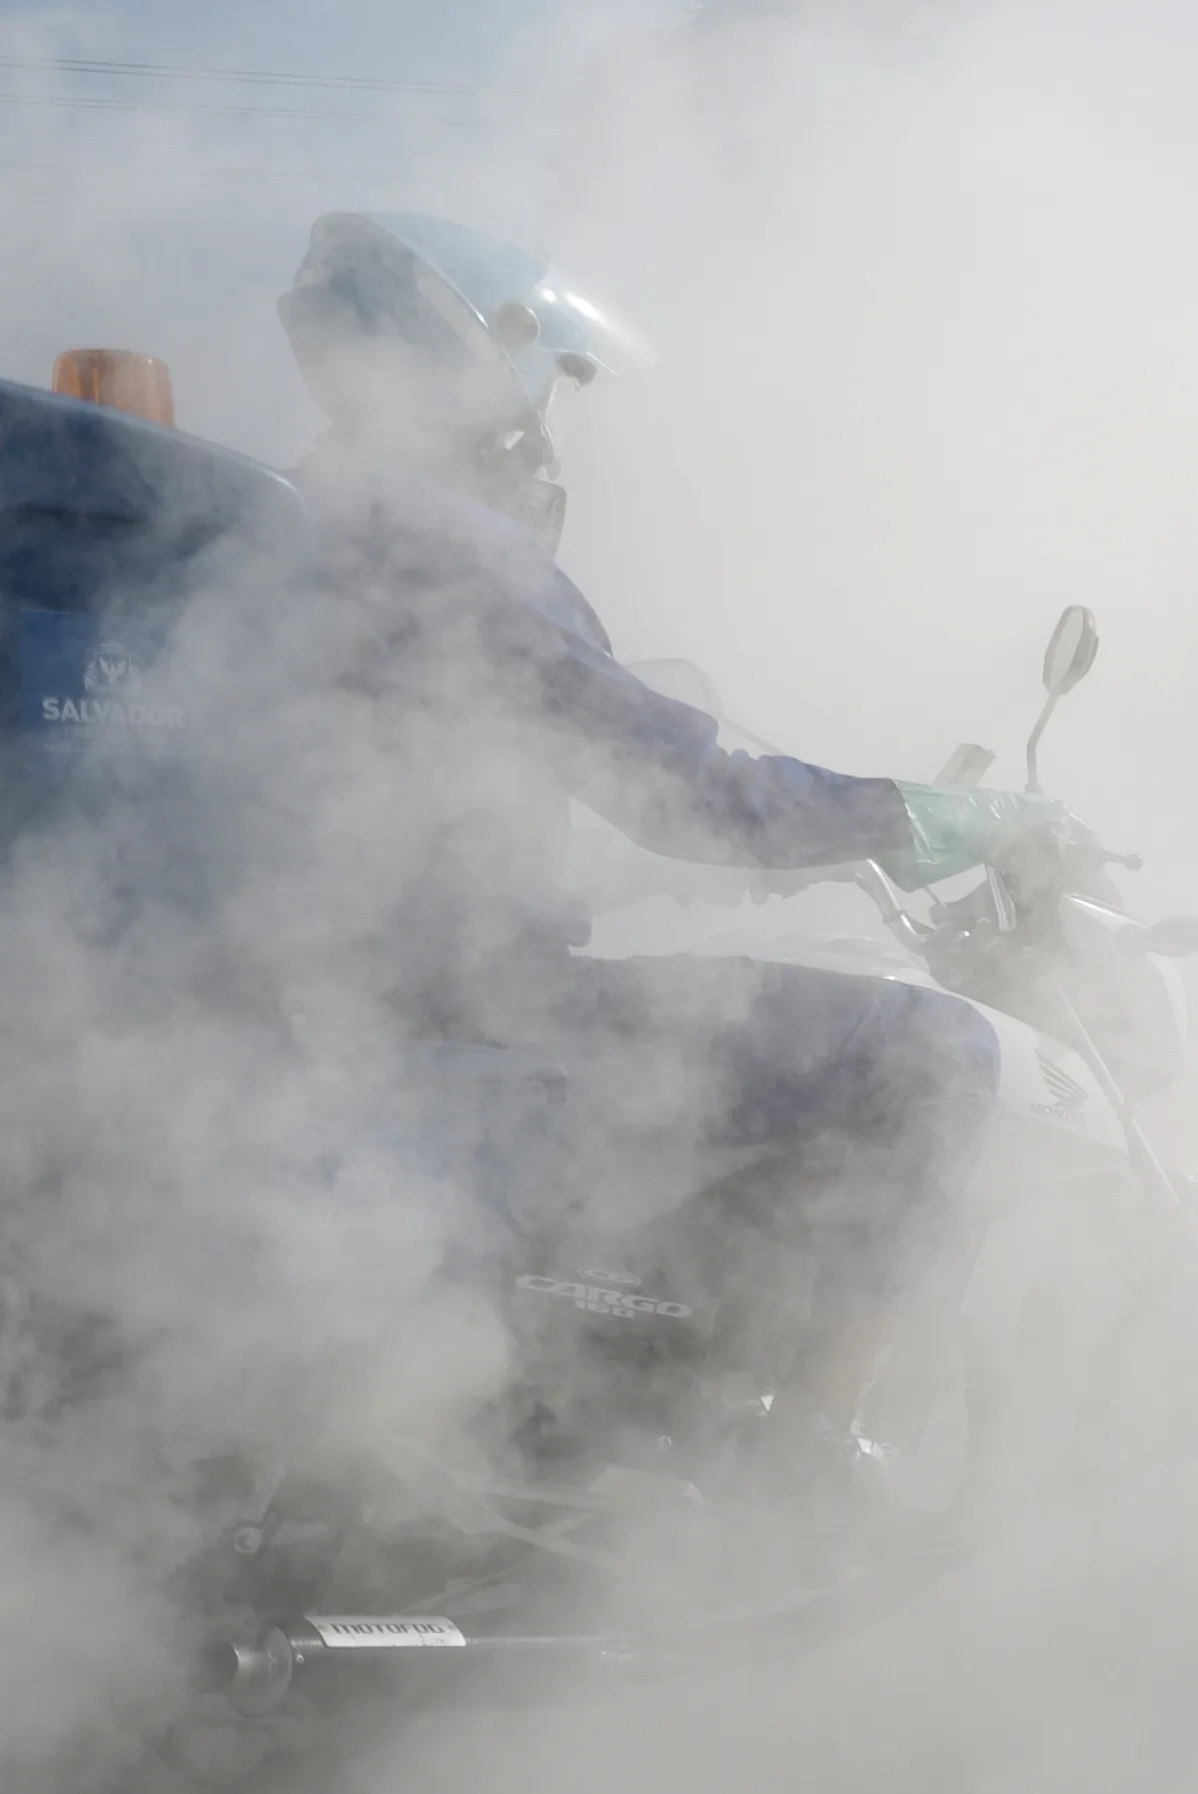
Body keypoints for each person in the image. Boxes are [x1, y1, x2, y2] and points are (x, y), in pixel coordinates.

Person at [231, 211, 1074, 1495]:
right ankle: (808, 1460)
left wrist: (623, 876)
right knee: (934, 1049)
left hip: (311, 1015)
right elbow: (703, 797)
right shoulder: (452, 551)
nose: (547, 440)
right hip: (466, 1027)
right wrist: (930, 817)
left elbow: (386, 827)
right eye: (547, 399)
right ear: (485, 373)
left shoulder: (283, 527)